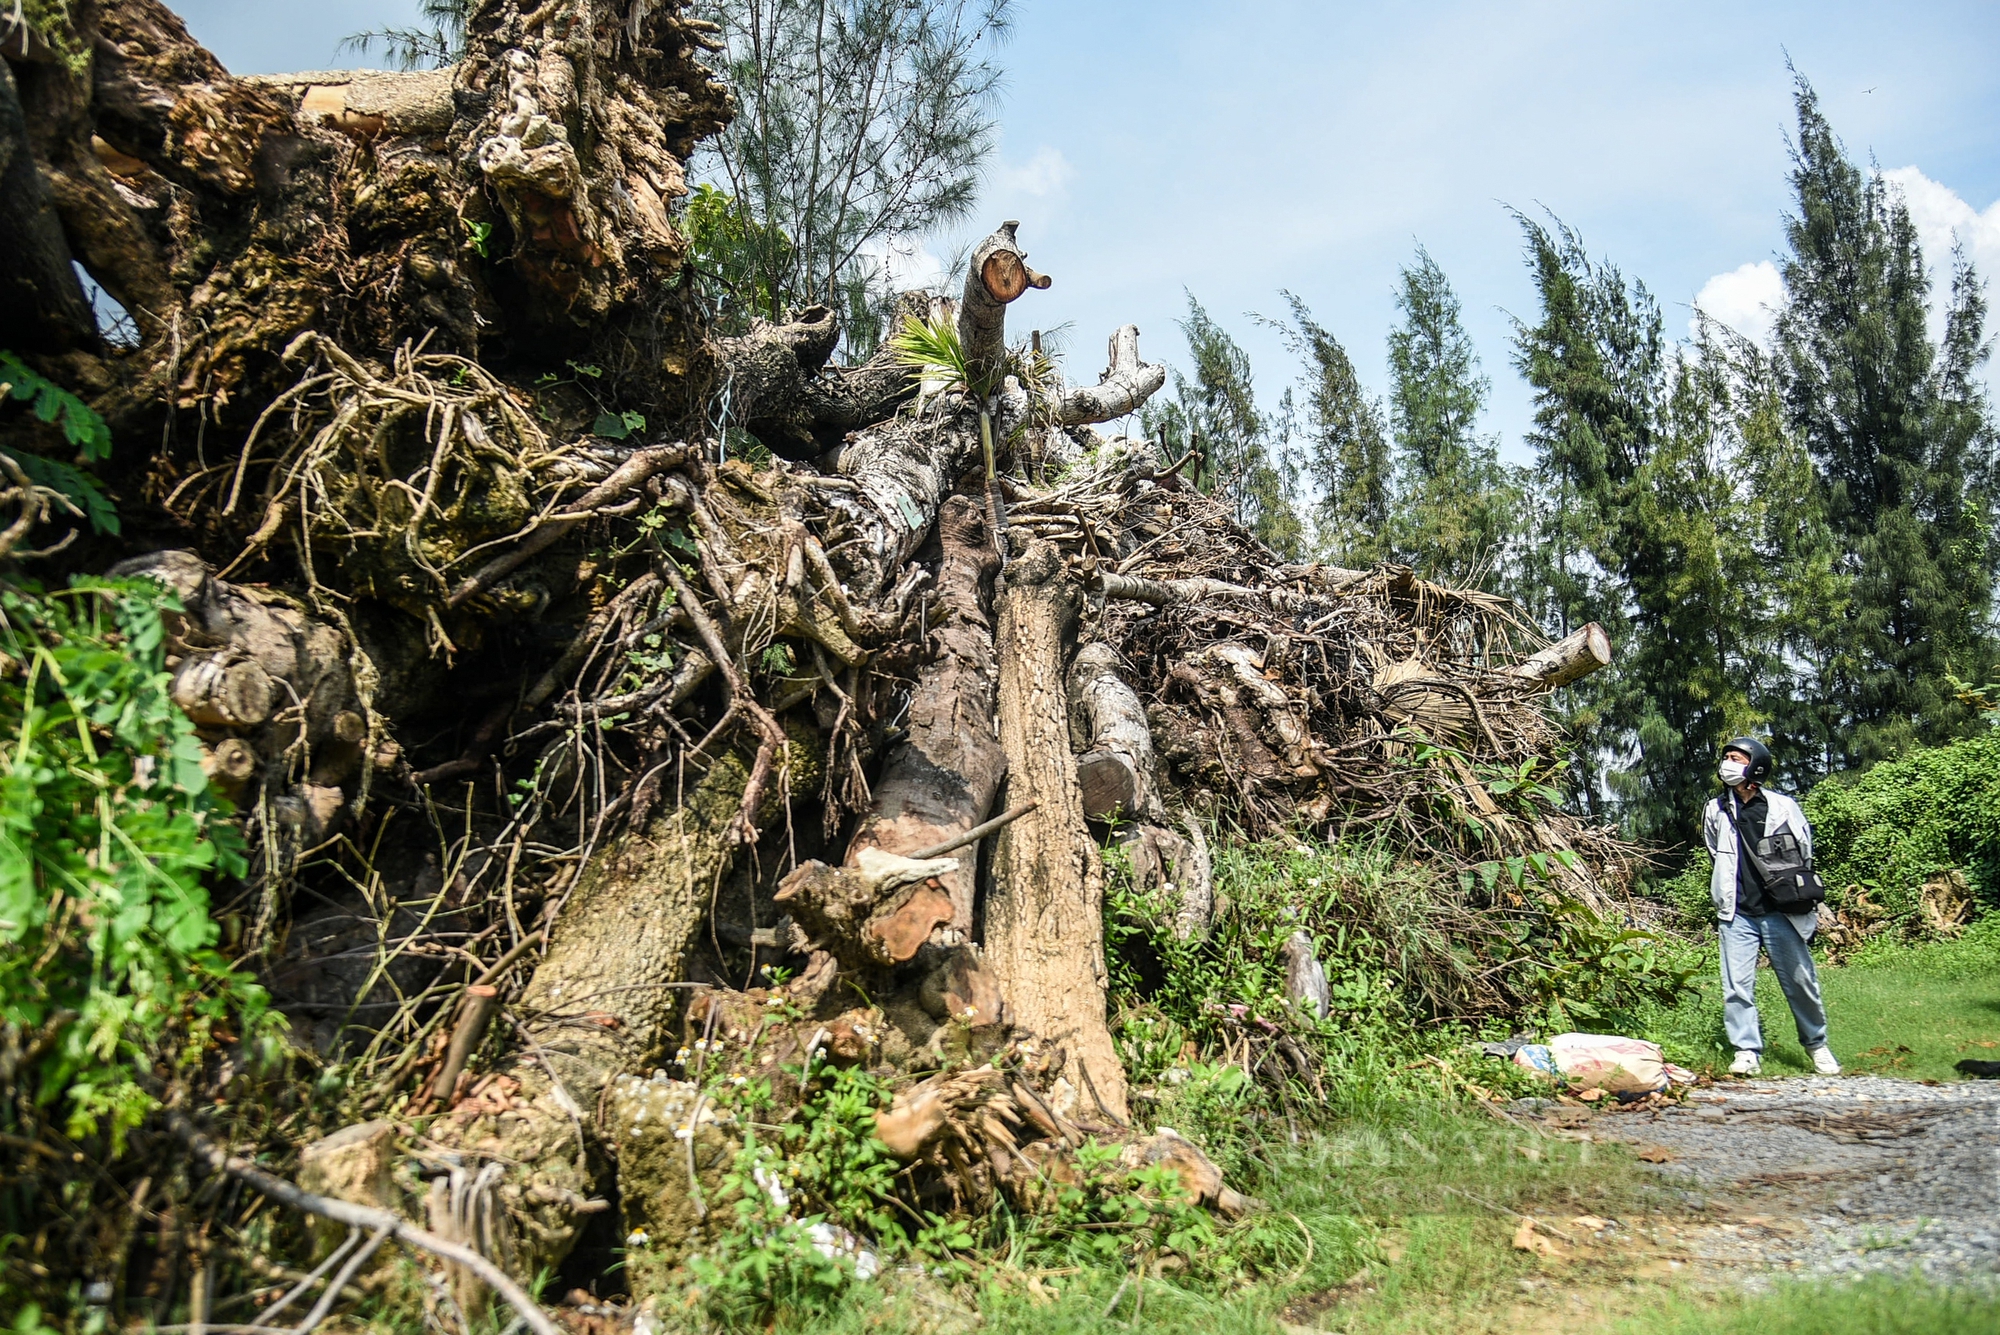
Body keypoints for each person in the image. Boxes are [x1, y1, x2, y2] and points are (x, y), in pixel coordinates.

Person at [1701, 737, 1840, 1077]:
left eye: (1736, 758)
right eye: (1727, 758)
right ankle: (1746, 1051)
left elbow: (1803, 850)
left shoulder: (1782, 806)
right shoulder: (1716, 808)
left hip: (1782, 912)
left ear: (1755, 767)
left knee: (1800, 981)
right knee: (1736, 987)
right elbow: (1714, 852)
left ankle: (1817, 1045)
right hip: (1737, 913)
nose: (1728, 763)